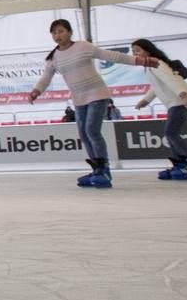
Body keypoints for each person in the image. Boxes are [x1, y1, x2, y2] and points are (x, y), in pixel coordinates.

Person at [28, 18, 157, 188]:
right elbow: (46, 78)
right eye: (54, 32)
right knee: (83, 133)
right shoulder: (54, 57)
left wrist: (141, 61)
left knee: (92, 130)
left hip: (97, 94)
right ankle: (97, 169)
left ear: (69, 32)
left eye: (61, 31)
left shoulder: (83, 46)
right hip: (79, 98)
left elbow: (112, 56)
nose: (57, 35)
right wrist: (36, 91)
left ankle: (104, 170)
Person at [131, 38, 187, 180]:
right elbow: (157, 86)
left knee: (171, 133)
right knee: (171, 134)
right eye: (133, 52)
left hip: (181, 101)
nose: (135, 54)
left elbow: (171, 80)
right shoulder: (150, 67)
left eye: (138, 50)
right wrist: (145, 100)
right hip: (175, 103)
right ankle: (181, 166)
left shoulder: (157, 64)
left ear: (148, 50)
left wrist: (184, 95)